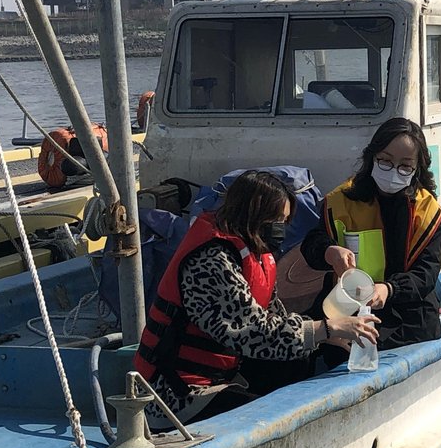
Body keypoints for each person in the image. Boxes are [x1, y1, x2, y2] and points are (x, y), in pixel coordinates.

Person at [134, 170, 379, 426]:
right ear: (252, 214)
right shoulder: (212, 260)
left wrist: (324, 336)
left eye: (284, 222)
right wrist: (325, 328)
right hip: (175, 393)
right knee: (274, 420)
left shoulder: (257, 256)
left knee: (297, 361)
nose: (280, 230)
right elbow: (251, 331)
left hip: (221, 377)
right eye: (275, 221)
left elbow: (274, 319)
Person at [300, 117, 441, 362]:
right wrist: (329, 251)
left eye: (405, 165)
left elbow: (427, 274)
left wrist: (390, 289)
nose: (393, 170)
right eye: (385, 161)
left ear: (417, 168)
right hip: (348, 305)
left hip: (407, 313)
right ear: (372, 157)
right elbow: (311, 244)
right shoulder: (340, 201)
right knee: (316, 343)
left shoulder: (428, 213)